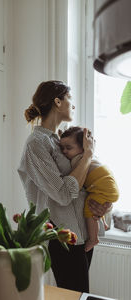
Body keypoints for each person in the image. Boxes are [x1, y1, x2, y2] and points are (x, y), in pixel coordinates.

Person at [18, 80, 112, 293]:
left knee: (80, 294)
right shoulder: (36, 144)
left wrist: (103, 207)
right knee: (75, 295)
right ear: (57, 101)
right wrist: (87, 154)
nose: (73, 105)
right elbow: (63, 195)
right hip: (61, 236)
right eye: (70, 98)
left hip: (82, 233)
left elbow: (91, 181)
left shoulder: (63, 140)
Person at [59, 126, 119, 252]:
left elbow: (74, 184)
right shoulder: (88, 156)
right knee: (95, 201)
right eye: (62, 148)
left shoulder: (78, 160)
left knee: (89, 207)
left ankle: (93, 238)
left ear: (83, 148)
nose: (64, 151)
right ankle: (104, 223)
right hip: (107, 183)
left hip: (103, 185)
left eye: (68, 148)